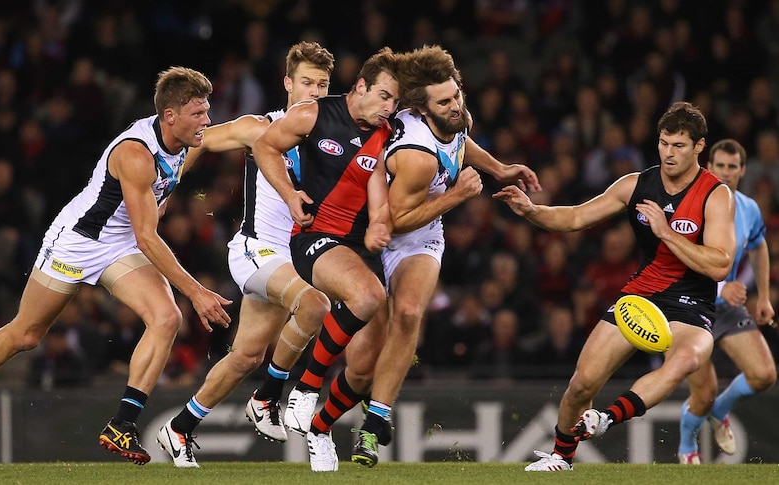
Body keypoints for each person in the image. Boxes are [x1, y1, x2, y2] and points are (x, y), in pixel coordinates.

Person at [0, 67, 233, 466]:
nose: (207, 121)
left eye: (207, 111)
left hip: (119, 244)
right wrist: (197, 290)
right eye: (198, 114)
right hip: (77, 242)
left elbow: (216, 144)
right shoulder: (135, 154)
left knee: (165, 318)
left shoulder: (186, 140)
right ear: (170, 116)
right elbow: (147, 237)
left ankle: (122, 423)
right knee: (26, 334)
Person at [282, 45, 542, 469]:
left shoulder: (455, 115)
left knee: (407, 312)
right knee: (362, 363)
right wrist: (456, 196)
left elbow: (461, 142)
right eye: (445, 101)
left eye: (457, 95)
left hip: (421, 235)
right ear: (422, 109)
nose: (456, 105)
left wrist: (499, 168)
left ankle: (372, 419)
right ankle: (318, 413)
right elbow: (398, 220)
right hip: (378, 232)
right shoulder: (416, 157)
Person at [492, 101, 736, 471]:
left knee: (688, 359)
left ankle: (605, 418)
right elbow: (576, 216)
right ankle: (561, 457)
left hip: (692, 302)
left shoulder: (716, 195)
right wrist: (532, 211)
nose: (668, 153)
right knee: (581, 385)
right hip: (641, 295)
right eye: (664, 143)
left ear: (700, 146)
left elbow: (720, 265)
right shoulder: (637, 184)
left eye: (679, 146)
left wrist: (666, 233)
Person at [154, 42, 335, 468]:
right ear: (288, 83)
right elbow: (198, 139)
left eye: (323, 85)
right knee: (314, 305)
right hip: (257, 250)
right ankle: (269, 395)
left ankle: (179, 428)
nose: (313, 91)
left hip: (292, 260)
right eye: (306, 82)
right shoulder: (261, 126)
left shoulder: (333, 135)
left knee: (246, 356)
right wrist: (168, 186)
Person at [252, 47, 402, 472]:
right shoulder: (313, 115)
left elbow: (375, 183)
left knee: (365, 366)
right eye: (384, 96)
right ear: (360, 87)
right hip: (314, 237)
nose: (389, 107)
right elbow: (265, 147)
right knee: (368, 295)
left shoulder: (383, 130)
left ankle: (319, 428)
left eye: (395, 101)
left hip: (357, 248)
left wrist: (379, 222)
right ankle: (305, 388)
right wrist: (289, 193)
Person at [677, 138, 776, 464]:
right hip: (688, 305)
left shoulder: (747, 207)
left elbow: (759, 246)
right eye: (720, 165)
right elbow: (677, 259)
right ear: (708, 167)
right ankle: (687, 444)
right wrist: (722, 289)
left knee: (764, 375)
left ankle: (721, 409)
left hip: (725, 307)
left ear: (742, 170)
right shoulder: (692, 204)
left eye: (733, 167)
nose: (726, 172)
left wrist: (763, 296)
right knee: (702, 396)